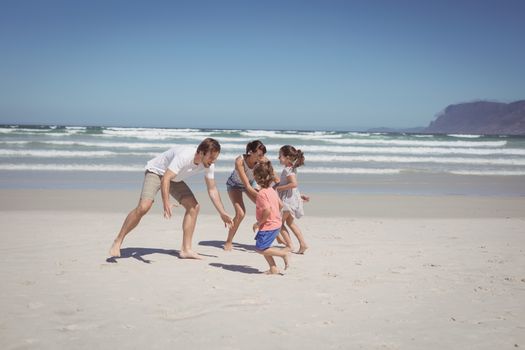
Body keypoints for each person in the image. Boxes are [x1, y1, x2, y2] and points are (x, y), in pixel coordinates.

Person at [109, 138, 233, 259]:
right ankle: (118, 240)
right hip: (156, 172)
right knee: (144, 207)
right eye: (211, 157)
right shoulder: (185, 156)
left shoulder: (208, 165)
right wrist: (166, 202)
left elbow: (212, 189)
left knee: (194, 207)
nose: (213, 161)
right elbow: (165, 178)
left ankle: (186, 250)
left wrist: (222, 212)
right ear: (201, 152)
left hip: (174, 178)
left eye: (215, 158)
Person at [223, 140, 268, 251]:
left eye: (263, 155)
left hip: (251, 184)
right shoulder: (240, 161)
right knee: (240, 213)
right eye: (259, 155)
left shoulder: (262, 160)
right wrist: (262, 197)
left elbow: (274, 177)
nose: (262, 157)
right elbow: (247, 186)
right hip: (235, 185)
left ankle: (274, 238)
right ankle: (228, 241)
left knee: (266, 209)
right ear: (250, 152)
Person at [251, 161, 290, 275]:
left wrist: (258, 223)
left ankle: (283, 254)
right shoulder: (272, 190)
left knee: (260, 249)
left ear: (257, 177)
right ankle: (273, 268)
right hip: (276, 223)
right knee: (265, 246)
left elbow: (267, 210)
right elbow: (281, 205)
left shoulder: (261, 193)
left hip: (268, 225)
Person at [274, 145, 309, 254]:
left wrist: (278, 188)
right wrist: (275, 186)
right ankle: (303, 244)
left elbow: (293, 184)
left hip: (287, 202)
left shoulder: (287, 170)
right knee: (290, 223)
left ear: (287, 157)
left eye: (280, 156)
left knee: (279, 224)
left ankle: (289, 245)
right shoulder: (292, 169)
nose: (278, 158)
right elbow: (289, 184)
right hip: (291, 199)